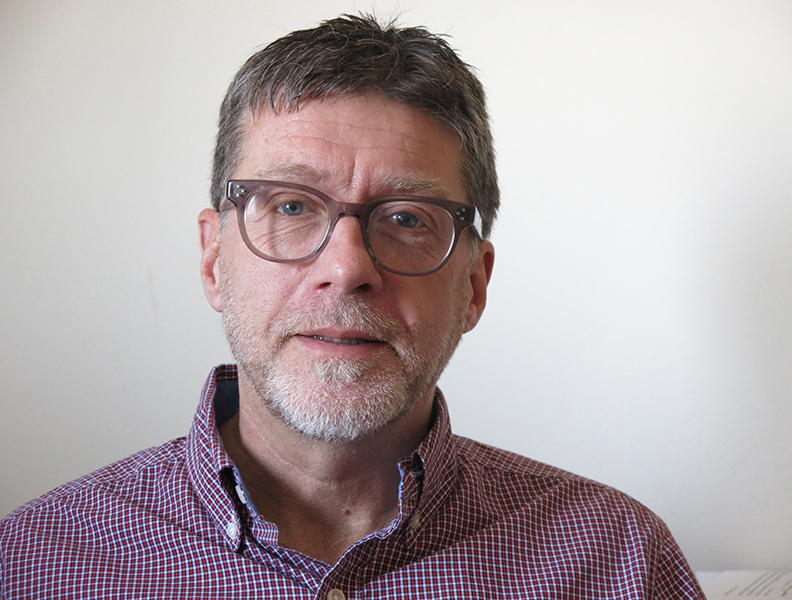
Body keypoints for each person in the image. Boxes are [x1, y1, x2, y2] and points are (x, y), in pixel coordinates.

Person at [0, 14, 705, 599]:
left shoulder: (619, 560)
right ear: (214, 260)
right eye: (291, 206)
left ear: (474, 285)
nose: (345, 269)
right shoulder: (32, 561)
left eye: (407, 218)